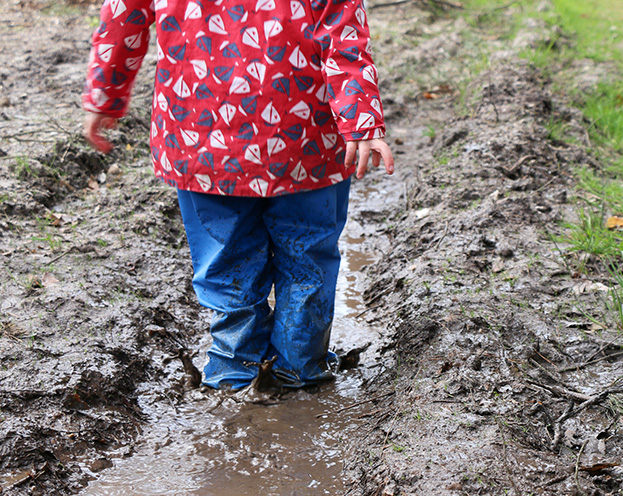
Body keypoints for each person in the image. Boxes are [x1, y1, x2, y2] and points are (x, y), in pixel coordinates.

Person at [82, 0, 394, 390]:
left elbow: (121, 21)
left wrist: (104, 94)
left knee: (226, 260)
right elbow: (343, 34)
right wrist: (361, 118)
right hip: (304, 135)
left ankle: (235, 371)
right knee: (307, 258)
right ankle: (300, 368)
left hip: (202, 135)